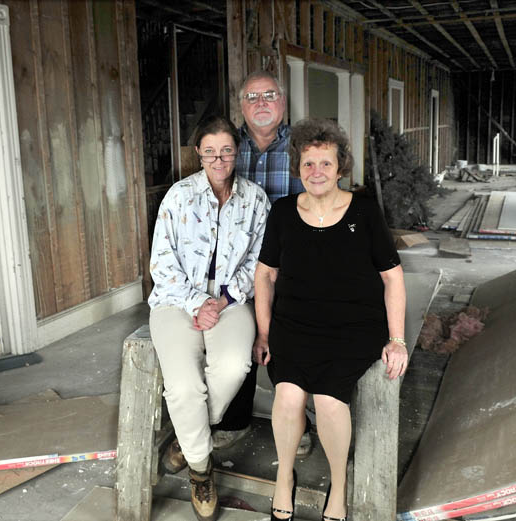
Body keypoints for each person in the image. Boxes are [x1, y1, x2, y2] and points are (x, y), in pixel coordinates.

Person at [253, 119, 408, 521]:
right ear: (297, 167)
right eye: (308, 164)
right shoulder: (284, 212)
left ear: (341, 168)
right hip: (294, 326)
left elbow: (392, 276)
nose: (316, 172)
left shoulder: (364, 210)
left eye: (325, 163)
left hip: (352, 328)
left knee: (327, 399)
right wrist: (264, 332)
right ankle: (284, 479)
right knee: (288, 397)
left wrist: (398, 339)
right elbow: (265, 274)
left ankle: (338, 488)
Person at [148, 115, 270, 521]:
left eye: (227, 151)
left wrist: (222, 299)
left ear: (237, 152)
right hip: (176, 302)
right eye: (210, 151)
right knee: (183, 387)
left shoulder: (255, 199)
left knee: (235, 365)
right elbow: (161, 264)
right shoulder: (178, 197)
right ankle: (201, 470)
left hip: (232, 301)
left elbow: (259, 261)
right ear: (198, 153)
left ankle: (188, 438)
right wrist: (196, 301)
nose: (219, 160)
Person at [211, 70, 311, 452]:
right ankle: (235, 420)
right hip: (238, 265)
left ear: (283, 102)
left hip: (290, 264)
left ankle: (297, 425)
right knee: (239, 336)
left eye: (269, 95)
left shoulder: (302, 147)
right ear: (241, 106)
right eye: (252, 97)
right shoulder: (228, 148)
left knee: (290, 342)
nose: (261, 103)